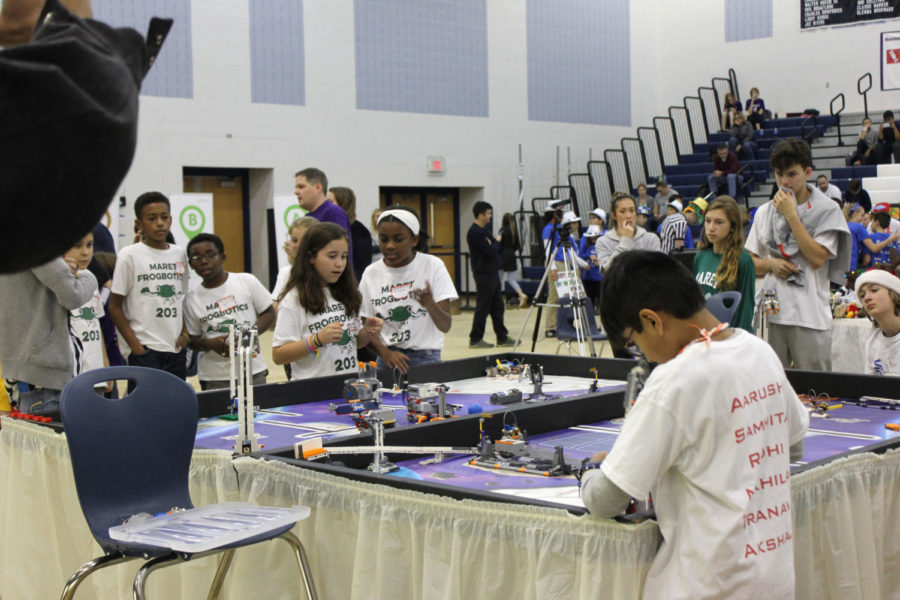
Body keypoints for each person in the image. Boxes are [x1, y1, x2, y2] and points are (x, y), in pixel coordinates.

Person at [583, 249, 808, 600]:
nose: (643, 355)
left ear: (652, 320)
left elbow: (605, 499)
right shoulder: (759, 351)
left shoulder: (673, 380)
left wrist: (590, 472)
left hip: (707, 585)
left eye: (634, 342)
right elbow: (792, 446)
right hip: (773, 577)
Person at [745, 138, 851, 370]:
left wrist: (792, 215)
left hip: (810, 313)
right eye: (779, 174)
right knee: (772, 384)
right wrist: (771, 263)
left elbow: (817, 258)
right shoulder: (764, 212)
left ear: (808, 171)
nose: (784, 182)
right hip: (772, 308)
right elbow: (749, 263)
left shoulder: (827, 209)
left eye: (792, 174)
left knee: (817, 390)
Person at [272, 223, 381, 379]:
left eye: (343, 256)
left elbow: (353, 343)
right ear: (310, 257)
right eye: (332, 256)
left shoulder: (349, 294)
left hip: (348, 384)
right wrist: (316, 340)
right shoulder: (294, 299)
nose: (339, 263)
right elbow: (279, 355)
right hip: (312, 392)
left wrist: (367, 332)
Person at [359, 206, 457, 372]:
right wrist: (385, 353)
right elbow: (365, 328)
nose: (390, 246)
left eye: (398, 239)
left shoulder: (432, 265)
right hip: (386, 359)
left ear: (414, 240)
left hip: (426, 358)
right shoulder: (371, 273)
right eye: (383, 239)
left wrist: (430, 304)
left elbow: (445, 325)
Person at [0, 249, 97, 414]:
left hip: (24, 369)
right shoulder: (35, 243)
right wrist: (88, 276)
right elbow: (73, 295)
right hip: (44, 375)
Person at [108, 192, 190, 383]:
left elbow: (181, 298)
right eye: (152, 218)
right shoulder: (128, 255)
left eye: (164, 217)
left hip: (175, 348)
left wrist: (185, 334)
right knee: (144, 408)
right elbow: (114, 307)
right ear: (139, 223)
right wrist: (136, 347)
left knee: (174, 405)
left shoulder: (179, 254)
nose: (160, 223)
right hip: (145, 350)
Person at [183, 233, 274, 390]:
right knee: (219, 415)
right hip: (214, 377)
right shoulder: (191, 299)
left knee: (257, 413)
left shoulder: (246, 281)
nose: (204, 262)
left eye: (210, 255)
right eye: (196, 258)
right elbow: (193, 339)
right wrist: (211, 343)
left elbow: (268, 313)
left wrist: (247, 337)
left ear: (222, 257)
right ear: (190, 264)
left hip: (253, 370)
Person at [595, 194, 662, 359]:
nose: (628, 215)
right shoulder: (603, 242)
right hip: (618, 311)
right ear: (613, 215)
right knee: (622, 363)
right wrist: (625, 241)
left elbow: (658, 273)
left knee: (650, 360)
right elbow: (609, 272)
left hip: (646, 309)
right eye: (623, 211)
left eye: (631, 210)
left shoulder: (650, 239)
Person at [693, 196, 756, 332]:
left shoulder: (743, 260)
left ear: (732, 226)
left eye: (719, 222)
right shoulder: (700, 257)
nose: (711, 228)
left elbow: (745, 310)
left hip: (731, 337)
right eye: (708, 221)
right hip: (705, 335)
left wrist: (736, 342)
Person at [64, 231, 114, 394]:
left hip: (95, 372)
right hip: (70, 377)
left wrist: (105, 366)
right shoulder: (58, 284)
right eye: (77, 246)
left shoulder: (89, 277)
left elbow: (96, 325)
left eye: (89, 245)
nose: (85, 252)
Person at [467, 201, 515, 349]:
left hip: (492, 273)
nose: (491, 216)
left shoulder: (484, 230)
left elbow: (493, 242)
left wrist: (494, 242)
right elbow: (491, 250)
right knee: (483, 307)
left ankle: (502, 337)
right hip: (484, 274)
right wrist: (496, 243)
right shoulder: (475, 232)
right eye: (489, 213)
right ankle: (475, 338)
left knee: (497, 307)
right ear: (481, 215)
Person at [294, 167, 353, 260]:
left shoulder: (334, 213)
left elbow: (337, 250)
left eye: (301, 187)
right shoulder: (307, 217)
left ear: (318, 188)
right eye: (296, 188)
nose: (296, 192)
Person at [855, 269, 900, 376]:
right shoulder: (872, 342)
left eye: (874, 290)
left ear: (893, 293)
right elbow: (869, 387)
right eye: (862, 295)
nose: (867, 298)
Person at [328, 186, 373, 282]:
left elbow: (361, 266)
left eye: (330, 202)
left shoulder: (360, 231)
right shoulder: (327, 229)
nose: (327, 206)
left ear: (343, 204)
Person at [272, 216, 319, 306]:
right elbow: (276, 308)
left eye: (295, 241)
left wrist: (296, 261)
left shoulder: (324, 272)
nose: (288, 244)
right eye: (291, 239)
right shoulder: (285, 272)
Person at [498, 212, 528, 308]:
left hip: (502, 256)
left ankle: (497, 300)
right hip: (512, 256)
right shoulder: (514, 231)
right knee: (511, 279)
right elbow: (517, 246)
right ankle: (521, 294)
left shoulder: (502, 230)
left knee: (499, 279)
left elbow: (498, 245)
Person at [580, 224, 603, 309]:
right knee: (589, 297)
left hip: (599, 276)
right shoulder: (586, 246)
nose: (593, 239)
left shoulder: (603, 246)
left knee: (601, 297)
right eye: (591, 238)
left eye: (595, 237)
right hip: (588, 276)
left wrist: (599, 262)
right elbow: (579, 256)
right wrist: (588, 256)